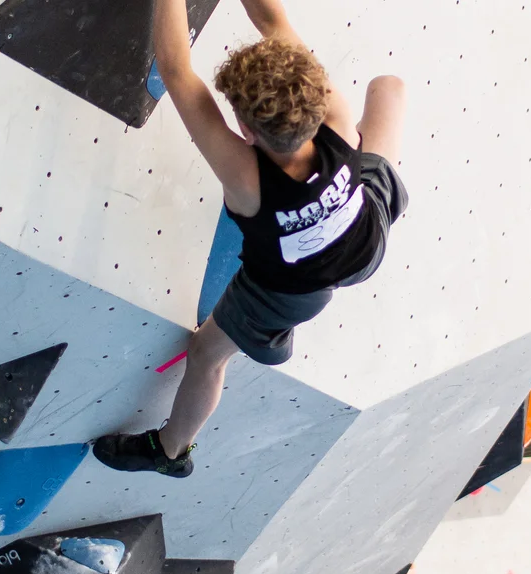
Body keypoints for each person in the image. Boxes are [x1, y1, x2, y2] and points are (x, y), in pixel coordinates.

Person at [93, 0, 409, 477]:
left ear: (245, 127)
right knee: (390, 89)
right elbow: (271, 20)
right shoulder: (335, 117)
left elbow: (177, 71)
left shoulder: (246, 179)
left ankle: (170, 451)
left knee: (206, 355)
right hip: (367, 236)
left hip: (292, 292)